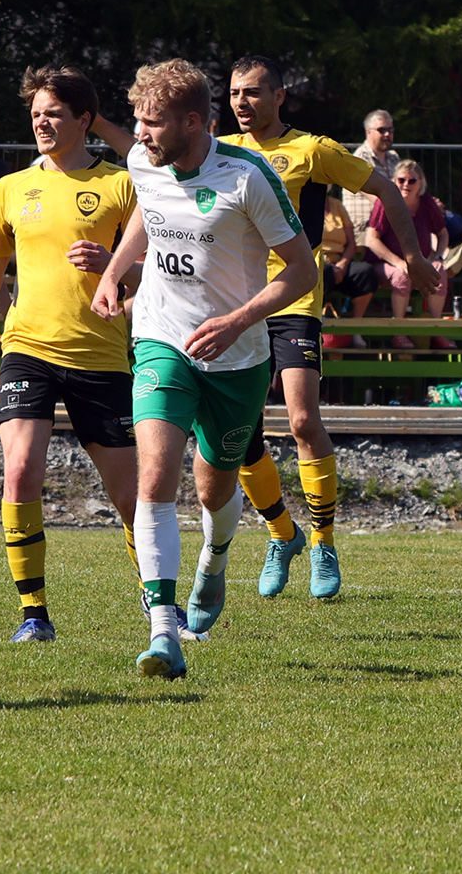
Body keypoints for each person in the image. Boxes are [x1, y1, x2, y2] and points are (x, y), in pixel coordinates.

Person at [92, 60, 317, 680]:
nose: (140, 134)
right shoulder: (144, 161)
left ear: (192, 122)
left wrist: (239, 321)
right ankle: (164, 633)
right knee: (155, 476)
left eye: (153, 122)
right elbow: (146, 214)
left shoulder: (248, 178)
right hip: (161, 339)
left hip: (237, 357)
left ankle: (215, 559)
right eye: (137, 120)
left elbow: (303, 271)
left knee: (214, 486)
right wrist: (114, 271)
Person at [217, 59, 437, 601]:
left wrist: (413, 257)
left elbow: (386, 189)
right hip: (233, 305)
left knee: (301, 420)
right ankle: (281, 533)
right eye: (235, 92)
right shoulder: (218, 150)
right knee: (239, 433)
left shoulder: (312, 150)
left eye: (253, 92)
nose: (242, 101)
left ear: (280, 96)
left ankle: (323, 541)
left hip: (294, 299)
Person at [0, 67, 140, 642]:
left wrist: (114, 268)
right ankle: (34, 614)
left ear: (85, 120)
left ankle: (160, 603)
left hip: (100, 355)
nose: (41, 122)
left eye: (53, 113)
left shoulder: (122, 185)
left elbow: (160, 271)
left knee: (132, 496)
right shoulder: (11, 188)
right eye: (35, 113)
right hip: (27, 348)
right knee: (20, 470)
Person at [365, 159, 451, 347]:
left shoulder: (427, 202)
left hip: (419, 263)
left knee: (438, 271)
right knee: (402, 275)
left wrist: (438, 256)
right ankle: (399, 332)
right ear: (394, 181)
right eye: (401, 180)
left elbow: (443, 234)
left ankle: (436, 331)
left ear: (421, 183)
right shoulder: (385, 202)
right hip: (384, 265)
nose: (406, 184)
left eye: (412, 181)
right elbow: (371, 240)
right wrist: (398, 263)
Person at [345, 109, 400, 236]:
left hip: (388, 225)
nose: (387, 134)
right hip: (364, 228)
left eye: (390, 130)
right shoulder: (359, 159)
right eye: (382, 130)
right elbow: (379, 201)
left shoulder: (394, 158)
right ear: (368, 131)